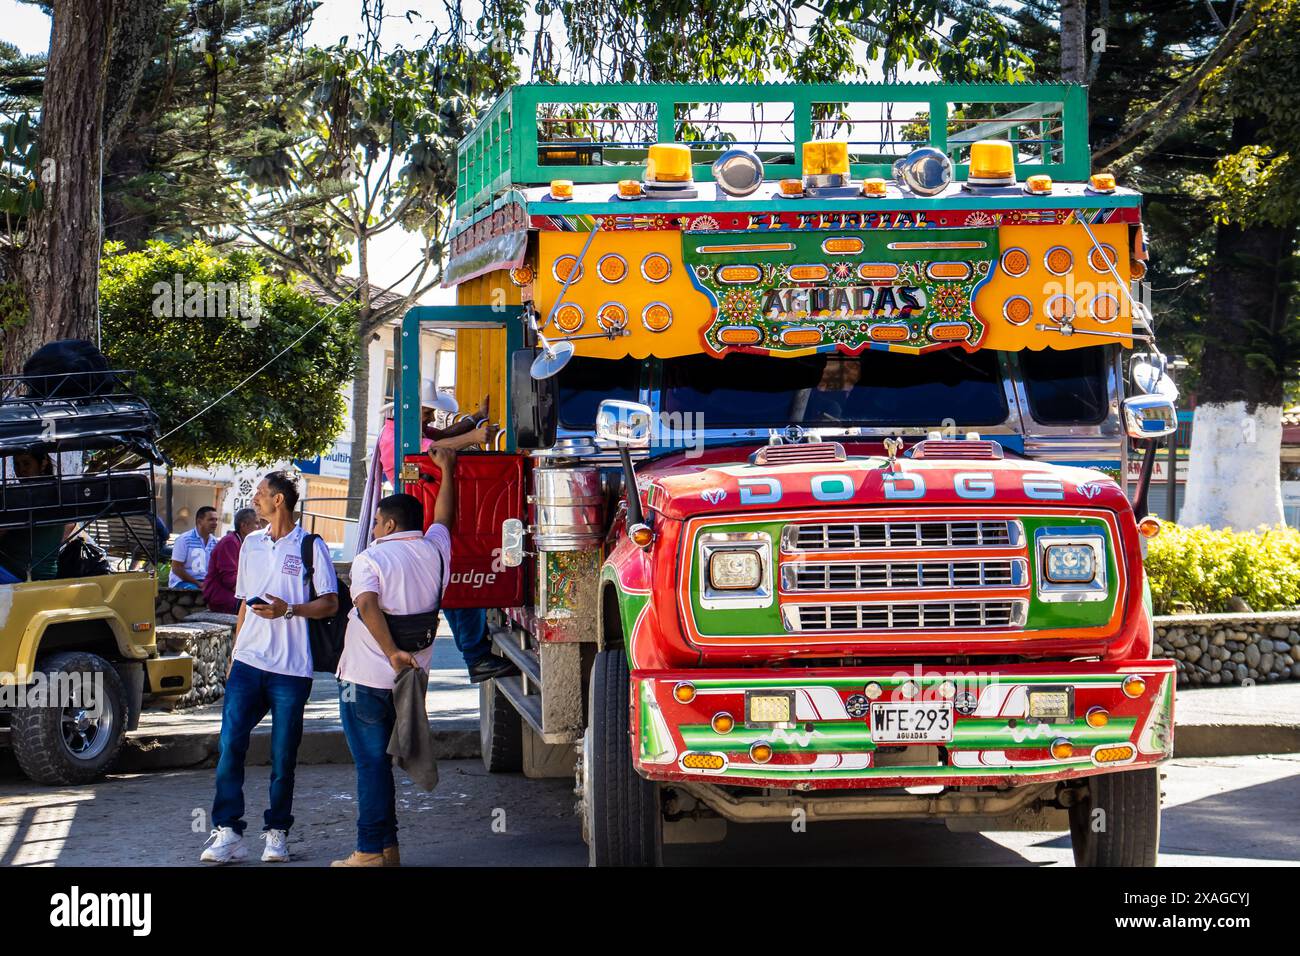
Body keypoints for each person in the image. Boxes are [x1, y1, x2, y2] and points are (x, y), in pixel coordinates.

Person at [200, 471, 339, 865]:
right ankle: (228, 831)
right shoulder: (251, 545)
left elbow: (329, 603)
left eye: (260, 493)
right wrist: (233, 653)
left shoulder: (311, 546)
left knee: (283, 754)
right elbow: (244, 602)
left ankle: (276, 832)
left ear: (279, 500)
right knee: (230, 745)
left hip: (292, 669)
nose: (255, 499)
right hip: (247, 662)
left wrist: (289, 610)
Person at [331, 449, 460, 867]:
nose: (372, 528)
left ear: (387, 524)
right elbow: (444, 519)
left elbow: (367, 605)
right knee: (380, 763)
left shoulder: (373, 557)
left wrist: (390, 653)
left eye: (376, 522)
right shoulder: (436, 550)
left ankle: (369, 851)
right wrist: (448, 471)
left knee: (370, 764)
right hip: (411, 677)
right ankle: (388, 848)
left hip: (368, 675)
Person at [376, 383, 492, 487]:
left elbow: (443, 435)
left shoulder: (405, 428)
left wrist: (478, 416)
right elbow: (435, 448)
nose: (433, 418)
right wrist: (473, 437)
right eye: (428, 413)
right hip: (413, 501)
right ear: (410, 412)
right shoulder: (393, 438)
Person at [202, 507, 263, 614]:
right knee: (256, 610)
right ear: (244, 526)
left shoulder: (244, 543)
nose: (260, 527)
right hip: (221, 596)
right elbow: (229, 578)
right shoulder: (229, 542)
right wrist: (250, 595)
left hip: (236, 593)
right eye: (257, 523)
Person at [169, 505, 218, 589]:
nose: (215, 523)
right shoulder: (184, 539)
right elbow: (176, 568)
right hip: (182, 582)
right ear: (199, 521)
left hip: (205, 582)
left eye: (216, 520)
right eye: (211, 520)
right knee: (198, 593)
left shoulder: (215, 542)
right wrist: (198, 583)